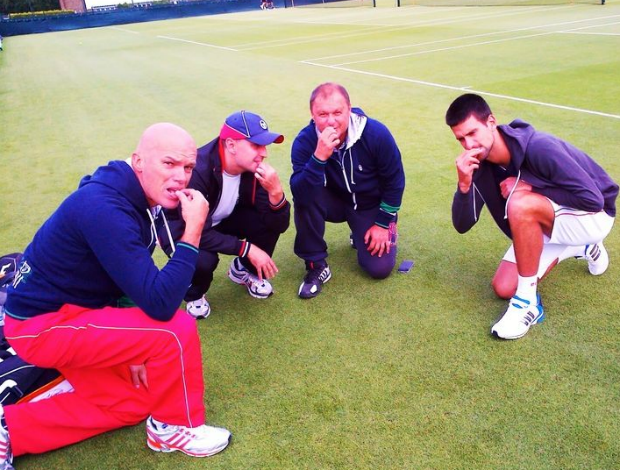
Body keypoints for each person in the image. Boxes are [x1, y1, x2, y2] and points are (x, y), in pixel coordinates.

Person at [0, 123, 231, 470]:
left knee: (130, 403)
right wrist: (193, 230)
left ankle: (9, 432)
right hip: (42, 326)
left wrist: (134, 344)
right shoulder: (106, 206)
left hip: (70, 314)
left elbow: (125, 275)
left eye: (187, 167)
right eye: (169, 164)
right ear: (138, 161)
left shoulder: (130, 194)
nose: (182, 177)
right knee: (175, 329)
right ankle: (174, 427)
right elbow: (162, 303)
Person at [446, 93, 618, 340]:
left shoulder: (539, 147)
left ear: (491, 122)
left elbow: (593, 200)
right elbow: (462, 225)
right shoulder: (479, 166)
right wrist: (463, 186)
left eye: (473, 133)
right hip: (549, 223)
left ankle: (527, 304)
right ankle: (583, 248)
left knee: (519, 202)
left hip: (593, 217)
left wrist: (530, 186)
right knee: (503, 287)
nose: (469, 144)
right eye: (461, 139)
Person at [160, 111, 290, 319]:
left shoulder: (255, 170)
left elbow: (279, 225)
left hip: (221, 218)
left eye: (265, 146)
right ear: (230, 145)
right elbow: (197, 230)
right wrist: (246, 248)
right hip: (182, 228)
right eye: (256, 145)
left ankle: (243, 271)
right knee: (203, 259)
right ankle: (194, 293)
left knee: (266, 221)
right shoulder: (197, 170)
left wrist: (276, 193)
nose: (264, 153)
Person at [290, 82, 405, 299]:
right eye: (322, 114)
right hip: (334, 200)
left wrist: (382, 223)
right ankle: (316, 265)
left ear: (349, 109)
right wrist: (319, 157)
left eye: (337, 112)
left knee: (379, 269)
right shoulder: (305, 141)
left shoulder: (376, 133)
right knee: (306, 196)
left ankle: (387, 227)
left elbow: (395, 181)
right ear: (312, 114)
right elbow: (300, 193)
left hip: (369, 204)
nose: (331, 121)